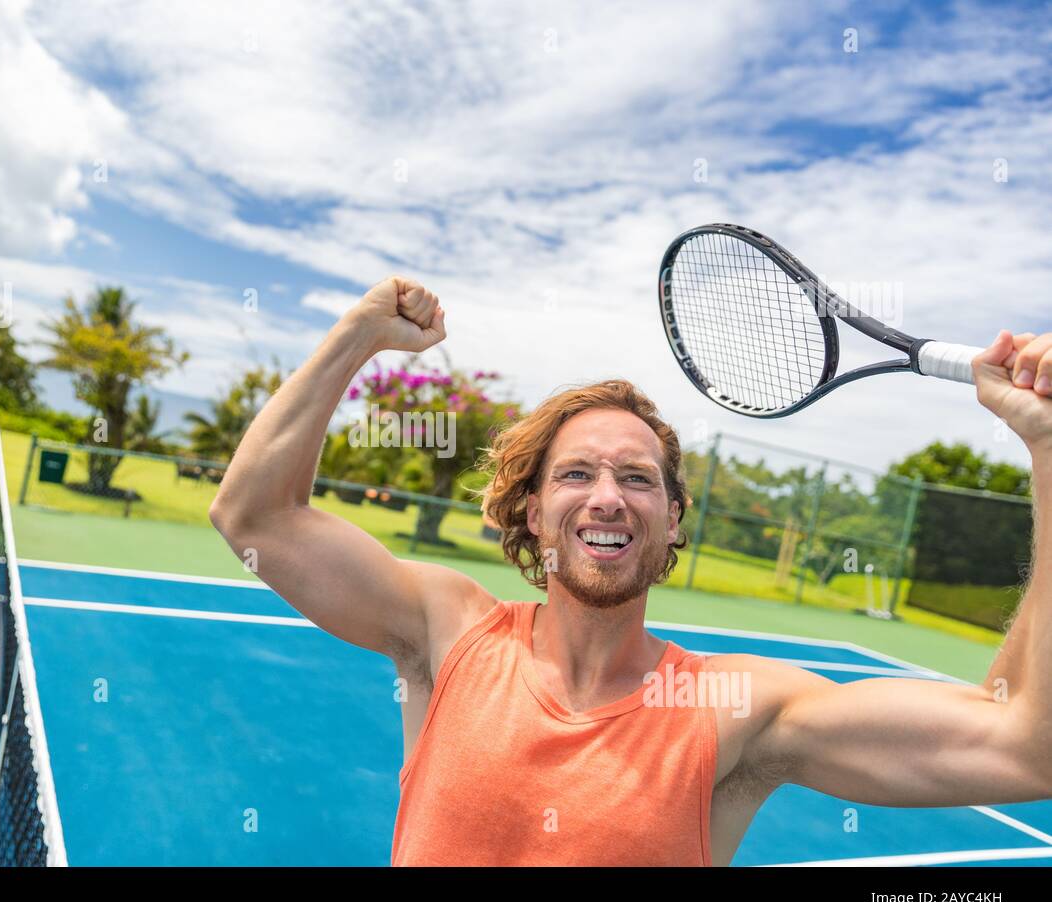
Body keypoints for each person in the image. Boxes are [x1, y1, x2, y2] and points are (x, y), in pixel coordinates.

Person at [209, 276, 1052, 866]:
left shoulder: (737, 711)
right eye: (576, 474)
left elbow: (1025, 748)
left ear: (674, 517)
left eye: (638, 479)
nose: (607, 498)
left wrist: (1047, 448)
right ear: (533, 512)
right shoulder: (450, 630)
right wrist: (359, 333)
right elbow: (254, 517)